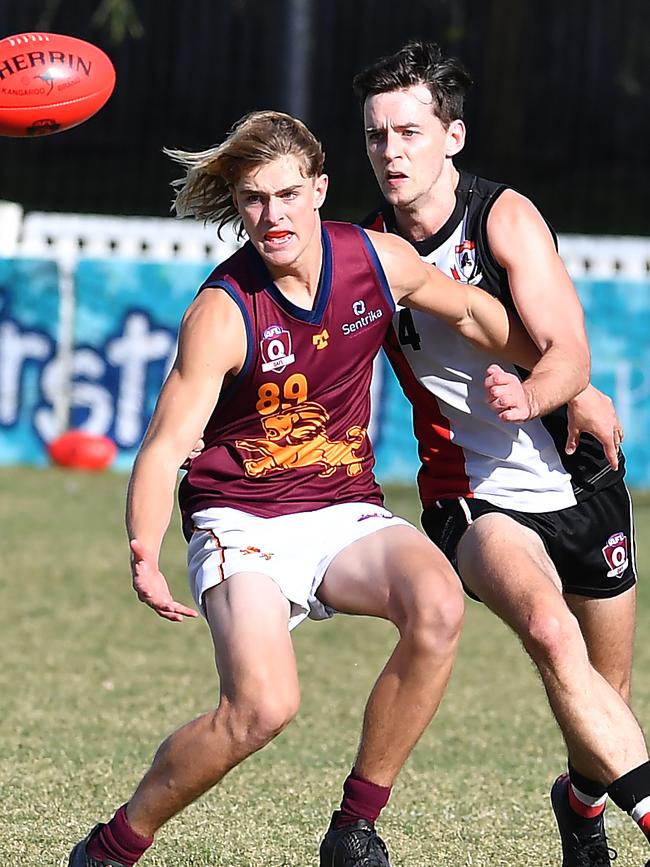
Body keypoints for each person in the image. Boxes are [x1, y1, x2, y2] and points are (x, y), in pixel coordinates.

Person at [66, 110, 578, 867]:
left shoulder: (376, 259)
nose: (272, 216)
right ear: (239, 207)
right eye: (252, 199)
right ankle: (112, 846)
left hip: (342, 508)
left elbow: (469, 308)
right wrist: (143, 546)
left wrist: (564, 374)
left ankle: (354, 828)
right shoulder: (223, 310)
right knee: (261, 707)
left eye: (286, 193)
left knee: (437, 606)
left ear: (320, 190)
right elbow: (168, 442)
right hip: (241, 518)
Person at [352, 40, 650, 867]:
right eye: (376, 135)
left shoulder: (504, 218)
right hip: (473, 498)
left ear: (452, 136)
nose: (390, 151)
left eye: (408, 131)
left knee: (603, 707)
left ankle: (581, 803)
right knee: (553, 635)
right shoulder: (366, 251)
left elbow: (570, 353)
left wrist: (538, 393)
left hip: (582, 478)